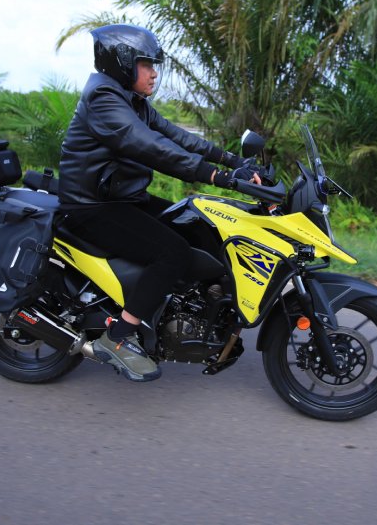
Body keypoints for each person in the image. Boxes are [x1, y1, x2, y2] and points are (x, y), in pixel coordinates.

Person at [58, 24, 259, 382]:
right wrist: (216, 177)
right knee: (172, 252)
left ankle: (185, 313)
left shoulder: (132, 101)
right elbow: (149, 146)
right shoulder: (104, 99)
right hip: (91, 207)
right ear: (122, 64)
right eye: (146, 64)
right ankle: (117, 338)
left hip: (121, 198)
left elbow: (177, 136)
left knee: (197, 224)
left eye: (154, 65)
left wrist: (233, 162)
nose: (153, 73)